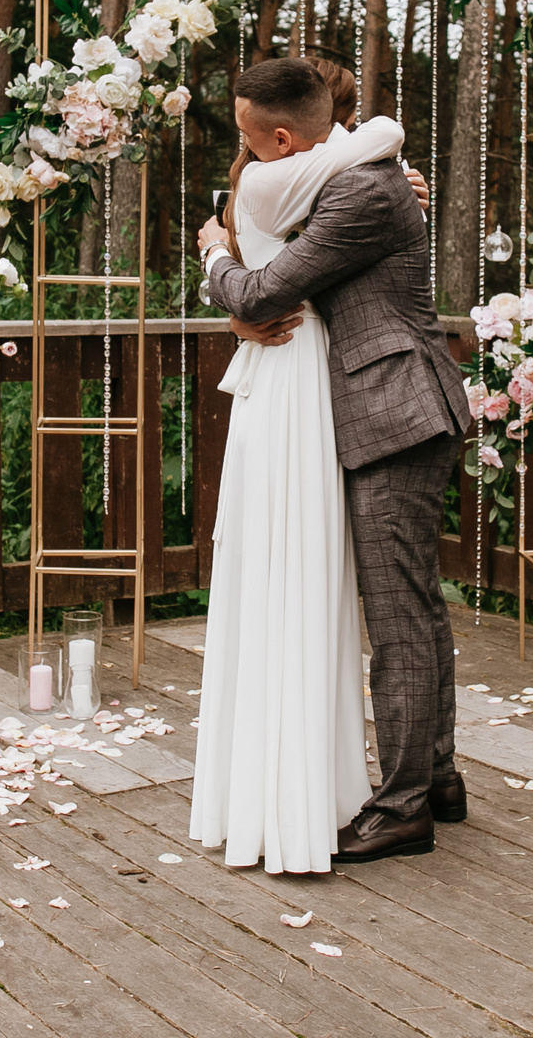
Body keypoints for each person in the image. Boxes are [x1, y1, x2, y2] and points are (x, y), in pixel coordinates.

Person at [197, 57, 473, 863]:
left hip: (396, 410)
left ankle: (403, 807)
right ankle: (437, 776)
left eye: (251, 140)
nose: (244, 156)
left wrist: (216, 253)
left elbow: (261, 291)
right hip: (394, 407)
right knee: (413, 606)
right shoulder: (350, 176)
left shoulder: (360, 191)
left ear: (286, 136)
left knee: (397, 617)